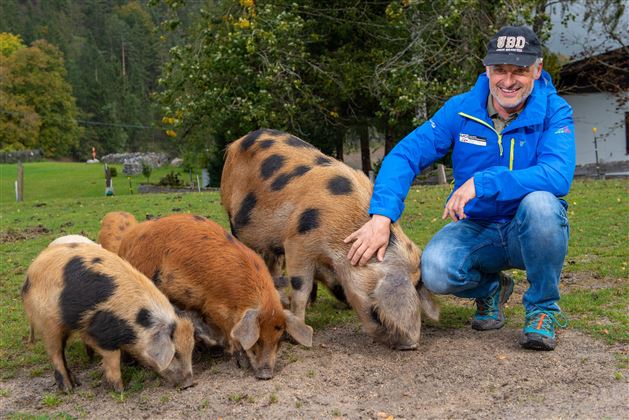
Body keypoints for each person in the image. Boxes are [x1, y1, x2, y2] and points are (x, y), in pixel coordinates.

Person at [344, 26, 575, 351]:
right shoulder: (461, 109)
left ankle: (542, 309)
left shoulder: (555, 111)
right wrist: (381, 216)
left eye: (520, 70)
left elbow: (557, 175)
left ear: (537, 70)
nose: (508, 81)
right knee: (435, 270)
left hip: (530, 230)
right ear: (487, 69)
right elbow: (405, 154)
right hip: (478, 227)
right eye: (499, 70)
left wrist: (483, 181)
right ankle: (491, 290)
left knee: (541, 204)